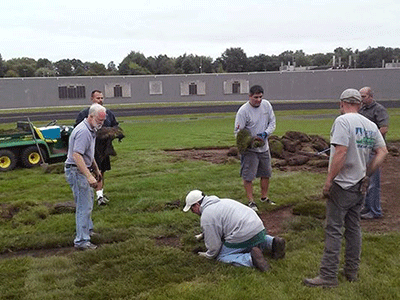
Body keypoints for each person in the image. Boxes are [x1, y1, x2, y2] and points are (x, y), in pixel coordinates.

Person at [303, 89, 388, 287]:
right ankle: (352, 272)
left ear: (342, 103)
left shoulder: (342, 122)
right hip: (360, 184)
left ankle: (328, 276)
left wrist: (329, 180)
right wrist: (368, 173)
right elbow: (382, 152)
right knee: (353, 229)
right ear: (359, 104)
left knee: (333, 229)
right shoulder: (369, 125)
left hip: (343, 185)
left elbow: (340, 152)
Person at [183, 190, 286, 272]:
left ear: (196, 205)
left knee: (222, 255)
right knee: (254, 238)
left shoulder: (207, 216)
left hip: (243, 233)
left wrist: (207, 255)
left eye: (192, 210)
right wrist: (203, 235)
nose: (193, 213)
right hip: (258, 227)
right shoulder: (223, 201)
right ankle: (273, 243)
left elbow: (214, 248)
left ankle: (251, 259)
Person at [65, 103, 106, 250]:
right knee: (84, 206)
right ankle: (82, 241)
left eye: (103, 121)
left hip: (83, 169)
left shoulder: (91, 129)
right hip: (77, 171)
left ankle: (88, 231)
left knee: (87, 203)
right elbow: (77, 156)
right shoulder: (83, 132)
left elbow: (88, 153)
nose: (101, 124)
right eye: (99, 121)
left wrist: (96, 169)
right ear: (90, 116)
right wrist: (88, 176)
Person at [234, 85, 276, 211]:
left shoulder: (267, 105)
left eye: (260, 97)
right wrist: (249, 142)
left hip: (264, 147)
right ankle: (251, 201)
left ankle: (264, 197)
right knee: (248, 176)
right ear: (250, 96)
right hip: (250, 150)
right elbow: (238, 132)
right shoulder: (243, 111)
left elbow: (272, 123)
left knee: (266, 173)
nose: (258, 100)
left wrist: (265, 134)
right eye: (255, 97)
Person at [75, 90, 119, 206]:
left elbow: (115, 125)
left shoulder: (108, 113)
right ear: (91, 99)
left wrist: (111, 132)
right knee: (88, 172)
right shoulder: (84, 114)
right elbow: (77, 129)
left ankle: (100, 196)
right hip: (89, 149)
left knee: (101, 172)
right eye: (98, 98)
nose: (100, 100)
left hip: (104, 149)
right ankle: (86, 196)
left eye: (101, 98)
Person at [358, 87, 389, 219]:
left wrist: (370, 138)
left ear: (371, 96)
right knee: (365, 180)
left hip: (375, 151)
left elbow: (384, 128)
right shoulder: (361, 110)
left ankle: (375, 211)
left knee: (373, 182)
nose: (361, 99)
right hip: (364, 149)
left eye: (363, 96)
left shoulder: (379, 109)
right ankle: (367, 207)